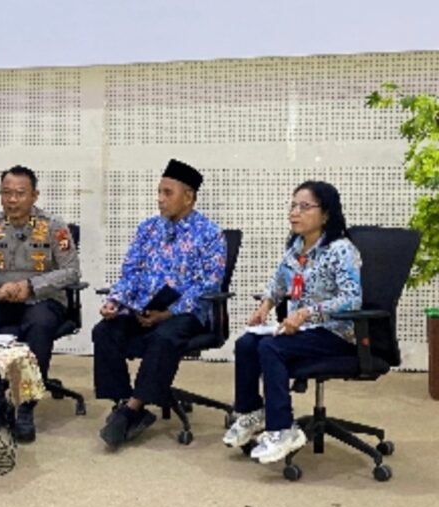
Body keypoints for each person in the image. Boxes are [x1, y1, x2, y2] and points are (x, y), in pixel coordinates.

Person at [222, 180, 362, 464]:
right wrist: (265, 306)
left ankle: (283, 428)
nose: (295, 212)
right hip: (302, 330)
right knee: (247, 343)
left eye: (304, 207)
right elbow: (278, 284)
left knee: (271, 348)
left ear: (326, 214)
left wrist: (308, 312)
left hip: (335, 333)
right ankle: (252, 412)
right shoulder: (296, 248)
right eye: (293, 206)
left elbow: (352, 299)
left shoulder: (341, 250)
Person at [93, 159, 226, 449]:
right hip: (143, 309)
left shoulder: (210, 234)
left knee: (164, 337)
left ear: (188, 197)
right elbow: (130, 274)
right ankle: (123, 401)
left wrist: (168, 313)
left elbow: (209, 285)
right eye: (159, 192)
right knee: (104, 331)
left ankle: (133, 409)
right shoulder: (148, 229)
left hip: (186, 313)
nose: (160, 199)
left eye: (167, 193)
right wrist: (115, 301)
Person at [0, 164, 81, 443]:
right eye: (6, 193)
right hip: (3, 299)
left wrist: (30, 286)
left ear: (34, 196)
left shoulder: (54, 226)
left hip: (43, 299)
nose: (12, 200)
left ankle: (25, 407)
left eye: (20, 193)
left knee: (38, 325)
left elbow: (72, 271)